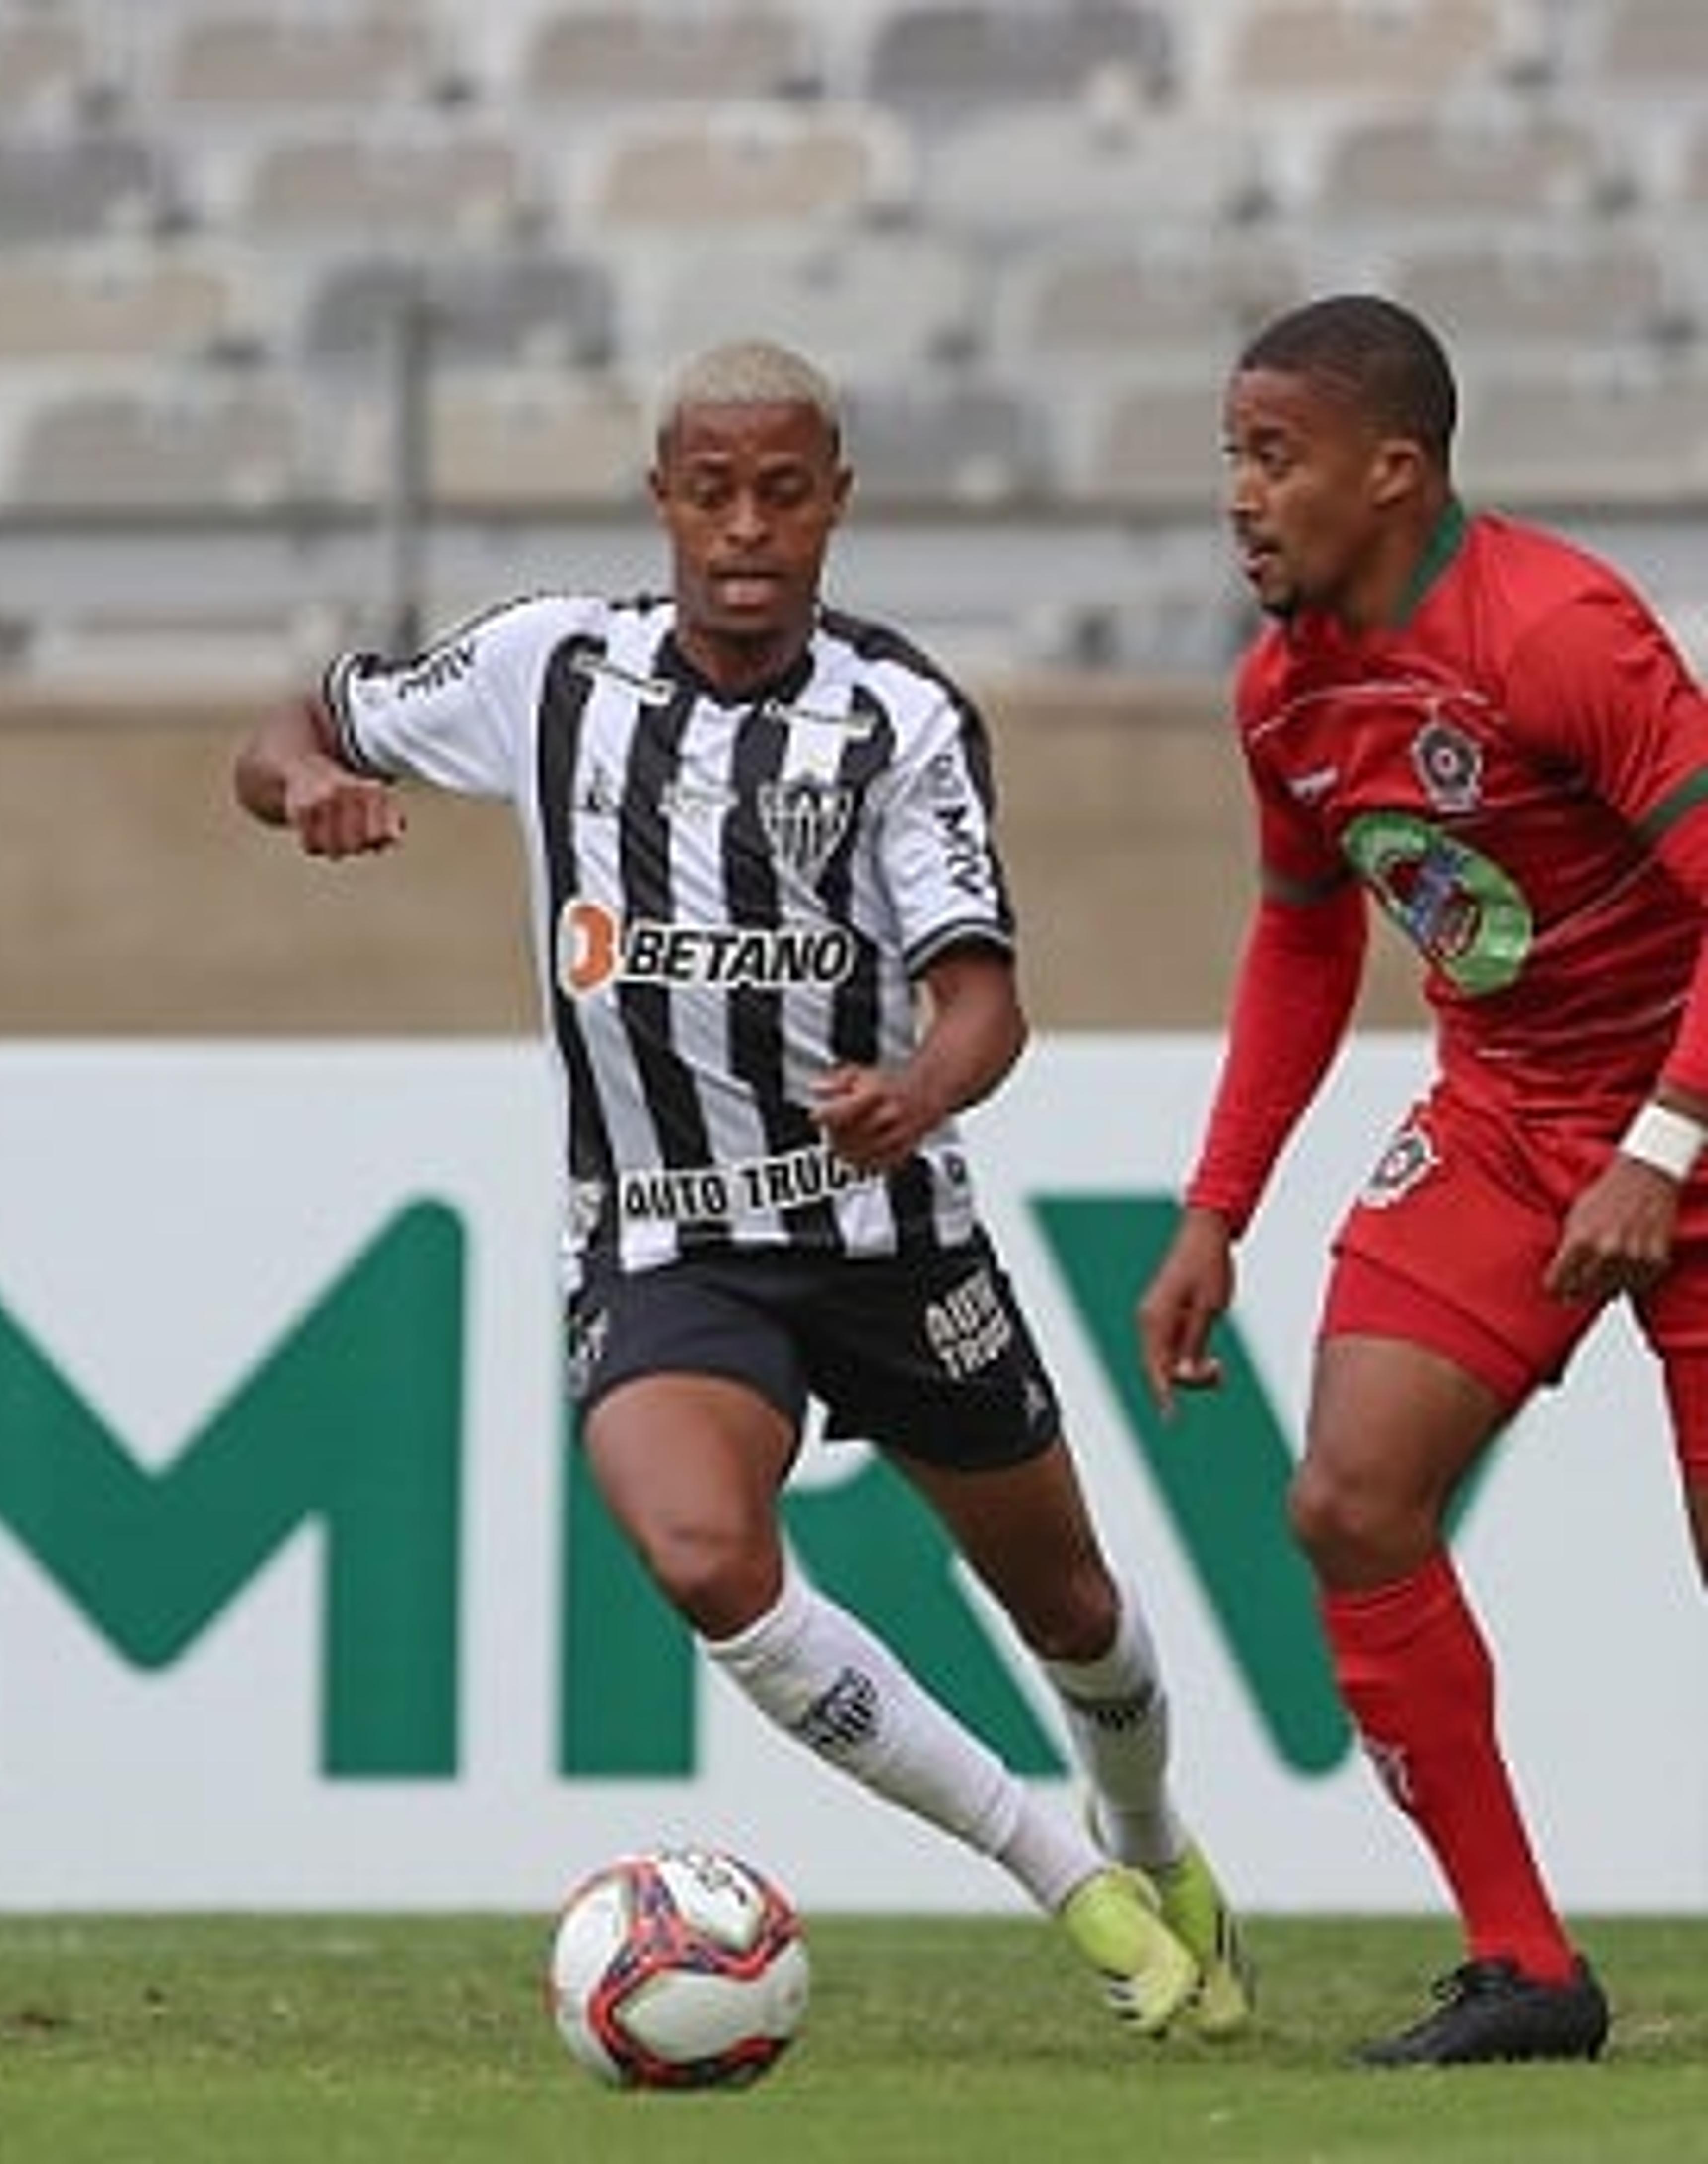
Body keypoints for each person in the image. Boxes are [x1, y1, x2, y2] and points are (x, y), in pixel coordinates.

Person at [236, 338, 1251, 2041]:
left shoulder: (900, 717)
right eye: (711, 491)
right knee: (710, 1558)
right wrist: (311, 789)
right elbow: (285, 732)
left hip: (888, 1235)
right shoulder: (548, 669)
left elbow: (985, 1001)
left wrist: (916, 1089)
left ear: (837, 501)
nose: (745, 528)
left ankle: (1148, 1838)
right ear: (663, 502)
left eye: (783, 490)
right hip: (666, 1244)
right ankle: (1060, 1884)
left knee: (1069, 1605)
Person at [1139, 291, 1708, 2066]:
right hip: (1507, 1118)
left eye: (1272, 456)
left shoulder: (1560, 635)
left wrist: (1665, 1147)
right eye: (1232, 455)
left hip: (1690, 1106)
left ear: (1393, 473)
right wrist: (1216, 1208)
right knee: (1349, 1502)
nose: (1240, 495)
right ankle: (1527, 1968)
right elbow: (1306, 949)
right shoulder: (1283, 695)